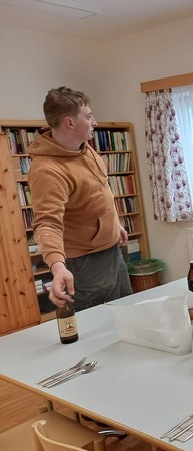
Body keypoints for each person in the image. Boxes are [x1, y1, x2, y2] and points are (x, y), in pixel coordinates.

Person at [27, 86, 132, 312]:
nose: (95, 122)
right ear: (69, 122)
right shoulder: (47, 170)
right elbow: (47, 224)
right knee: (100, 325)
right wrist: (57, 267)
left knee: (126, 313)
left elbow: (98, 193)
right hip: (86, 263)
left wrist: (114, 225)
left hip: (112, 250)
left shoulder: (84, 148)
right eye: (88, 116)